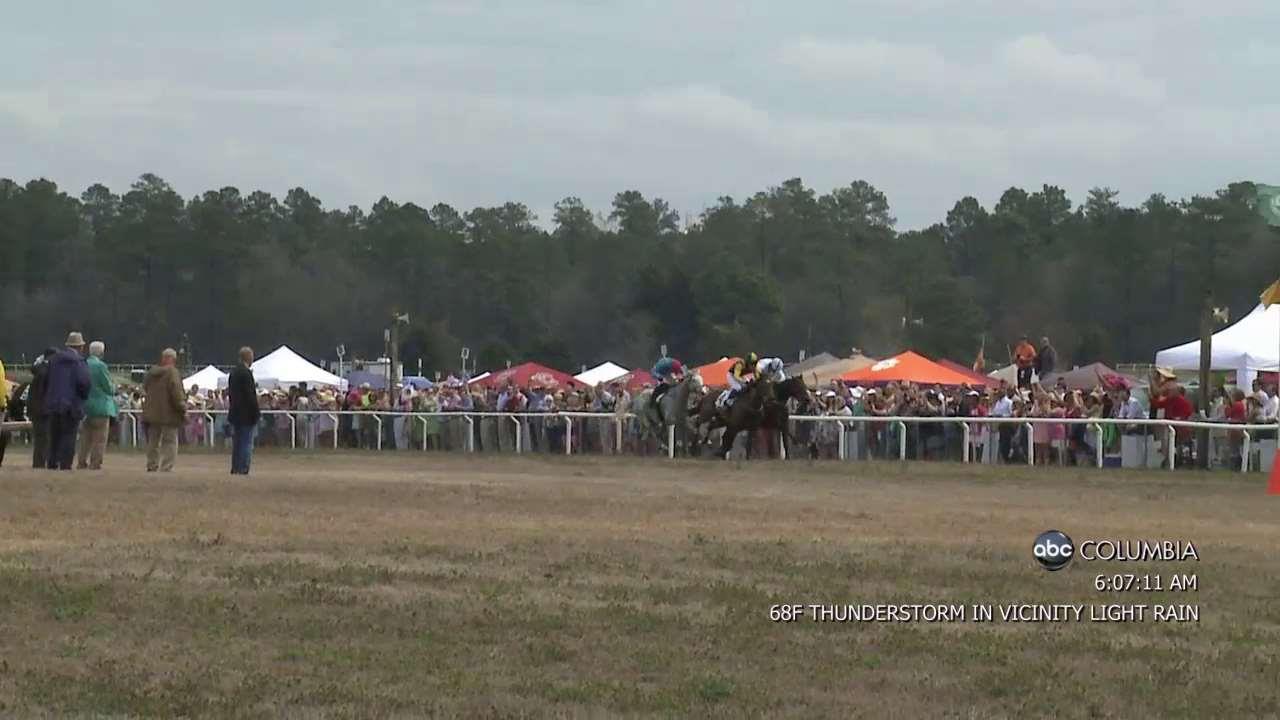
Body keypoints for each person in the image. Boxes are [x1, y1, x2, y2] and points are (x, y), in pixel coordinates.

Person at [44, 332, 91, 470]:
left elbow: (46, 380)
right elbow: (84, 382)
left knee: (54, 435)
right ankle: (65, 464)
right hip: (72, 404)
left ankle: (52, 462)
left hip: (53, 403)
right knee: (69, 435)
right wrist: (83, 396)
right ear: (80, 347)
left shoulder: (53, 360)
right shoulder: (79, 362)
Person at [143, 348, 187, 472]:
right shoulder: (173, 373)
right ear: (173, 359)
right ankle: (166, 466)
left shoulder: (151, 373)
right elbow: (176, 393)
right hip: (169, 413)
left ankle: (152, 464)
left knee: (153, 441)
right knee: (170, 441)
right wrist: (182, 407)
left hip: (152, 412)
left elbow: (145, 387)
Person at [75, 341, 117, 470]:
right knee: (99, 439)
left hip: (85, 406)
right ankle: (95, 463)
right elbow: (108, 388)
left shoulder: (83, 364)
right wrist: (114, 387)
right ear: (101, 352)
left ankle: (81, 462)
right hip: (101, 407)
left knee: (85, 437)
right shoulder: (101, 366)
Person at [227, 346, 260, 475]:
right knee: (246, 442)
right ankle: (243, 467)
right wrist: (256, 412)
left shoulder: (233, 373)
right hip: (246, 414)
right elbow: (250, 396)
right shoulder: (247, 373)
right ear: (248, 357)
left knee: (237, 442)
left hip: (235, 412)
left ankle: (235, 467)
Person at [27, 347, 56, 468]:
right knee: (45, 437)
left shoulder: (39, 369)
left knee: (40, 437)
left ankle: (38, 462)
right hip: (44, 408)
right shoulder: (48, 371)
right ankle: (41, 462)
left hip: (35, 408)